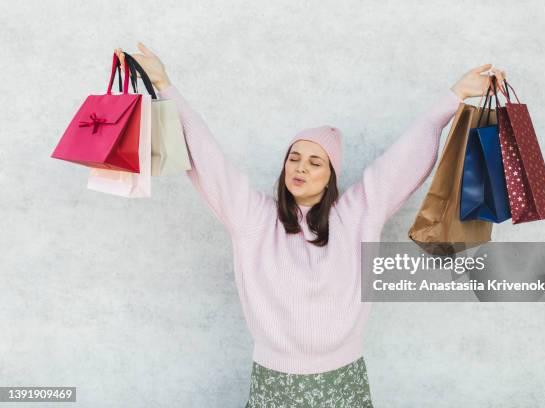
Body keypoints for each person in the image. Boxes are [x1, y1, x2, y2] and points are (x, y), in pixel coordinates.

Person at [115, 43, 506, 407]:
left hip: (343, 377)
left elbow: (402, 160)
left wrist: (454, 96)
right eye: (294, 158)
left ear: (330, 174)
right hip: (275, 380)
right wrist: (165, 86)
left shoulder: (356, 214)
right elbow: (208, 158)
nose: (301, 167)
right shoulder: (254, 217)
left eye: (315, 162)